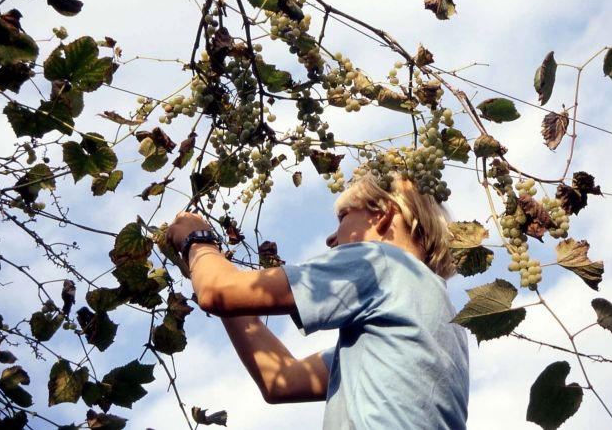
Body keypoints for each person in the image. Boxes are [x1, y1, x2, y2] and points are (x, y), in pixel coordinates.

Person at [167, 173, 469, 429]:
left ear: (382, 214)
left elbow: (217, 291)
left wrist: (198, 239)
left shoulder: (380, 262)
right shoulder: (438, 317)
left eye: (343, 217)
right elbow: (282, 378)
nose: (330, 238)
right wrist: (216, 276)